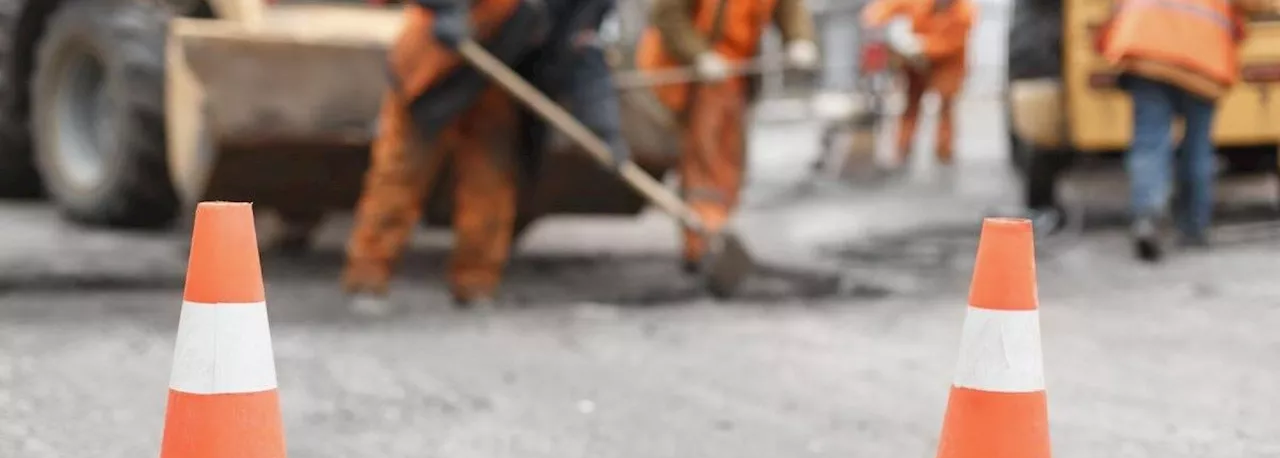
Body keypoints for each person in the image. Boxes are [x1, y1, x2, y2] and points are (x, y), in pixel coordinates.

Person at [341, 0, 628, 308]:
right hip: (434, 67)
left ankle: (476, 284)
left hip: (493, 82)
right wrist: (449, 9)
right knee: (400, 178)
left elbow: (584, 59)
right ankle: (368, 279)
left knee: (490, 187)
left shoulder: (588, 6)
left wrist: (605, 130)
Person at [636, 0, 820, 271]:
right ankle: (702, 243)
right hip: (692, 75)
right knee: (704, 161)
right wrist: (699, 55)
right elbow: (669, 16)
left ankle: (717, 233)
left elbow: (788, 8)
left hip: (734, 74)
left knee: (729, 162)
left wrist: (799, 38)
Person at [1099, 0, 1270, 261]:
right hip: (1202, 59)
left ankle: (1148, 216)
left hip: (1147, 50)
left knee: (1150, 142)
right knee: (1197, 147)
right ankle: (1192, 228)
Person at [860, 0, 975, 168]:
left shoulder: (964, 12)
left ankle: (944, 151)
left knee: (946, 105)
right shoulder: (918, 2)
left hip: (947, 64)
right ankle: (903, 149)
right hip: (915, 64)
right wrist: (882, 25)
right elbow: (881, 9)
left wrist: (922, 46)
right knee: (911, 105)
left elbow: (952, 42)